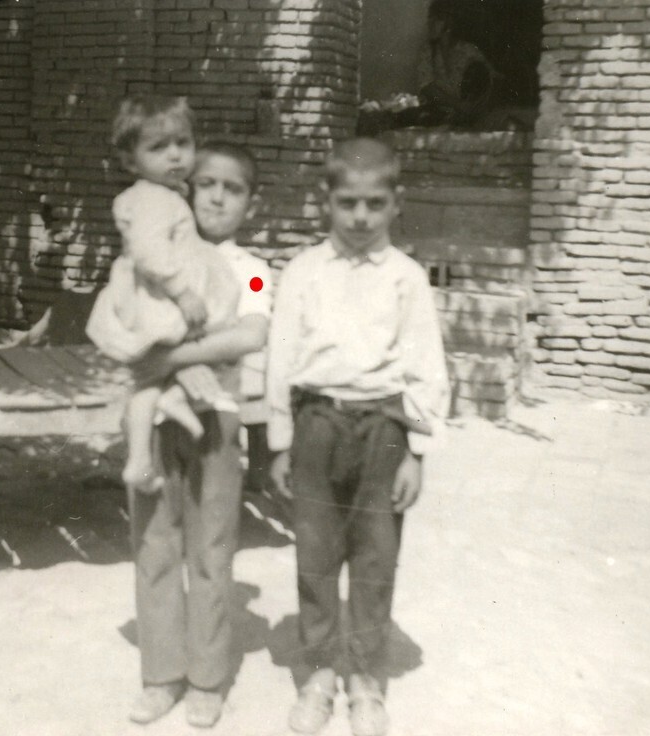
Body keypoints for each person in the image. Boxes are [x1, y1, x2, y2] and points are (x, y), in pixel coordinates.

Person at [266, 138, 449, 736]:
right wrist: (280, 442)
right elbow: (280, 360)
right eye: (348, 203)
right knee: (315, 555)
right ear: (326, 200)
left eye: (375, 203)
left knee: (376, 556)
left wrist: (416, 454)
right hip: (317, 423)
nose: (361, 217)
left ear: (397, 202)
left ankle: (367, 679)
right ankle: (320, 673)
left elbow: (425, 368)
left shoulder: (407, 279)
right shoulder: (302, 273)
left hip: (383, 429)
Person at [123, 141, 272, 728]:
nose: (216, 198)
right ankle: (162, 674)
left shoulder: (251, 271)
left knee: (211, 547)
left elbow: (250, 334)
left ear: (250, 204)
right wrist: (165, 367)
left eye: (232, 189)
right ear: (185, 190)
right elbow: (127, 319)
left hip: (217, 417)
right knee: (155, 544)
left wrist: (172, 359)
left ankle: (207, 678)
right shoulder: (159, 257)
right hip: (154, 418)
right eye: (206, 184)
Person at [85, 96, 240, 493]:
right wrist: (182, 292)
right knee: (197, 349)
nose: (174, 155)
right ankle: (166, 408)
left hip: (155, 298)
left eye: (182, 143)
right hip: (159, 299)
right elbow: (149, 253)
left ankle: (140, 455)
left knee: (147, 380)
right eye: (158, 147)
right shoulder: (153, 199)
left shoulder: (160, 195)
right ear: (130, 161)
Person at [416, 0, 497, 128]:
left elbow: (490, 80)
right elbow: (426, 87)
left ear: (450, 23)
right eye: (430, 18)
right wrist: (459, 105)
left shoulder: (469, 51)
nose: (430, 23)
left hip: (466, 121)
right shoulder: (428, 51)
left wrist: (473, 107)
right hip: (436, 119)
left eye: (438, 19)